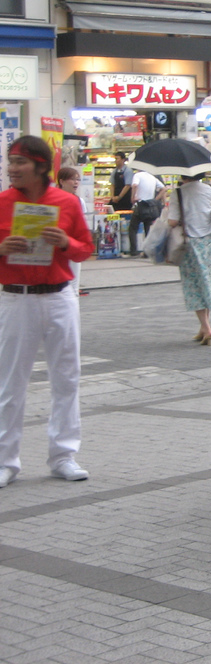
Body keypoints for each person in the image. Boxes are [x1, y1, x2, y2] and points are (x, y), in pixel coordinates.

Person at [0, 136, 94, 488]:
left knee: (67, 377)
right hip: (15, 298)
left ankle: (63, 455)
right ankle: (6, 460)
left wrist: (66, 243)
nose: (12, 168)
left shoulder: (67, 203)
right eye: (10, 161)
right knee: (10, 383)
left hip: (59, 296)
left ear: (41, 166)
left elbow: (85, 249)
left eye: (20, 162)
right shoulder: (2, 202)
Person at [167, 172, 211, 345]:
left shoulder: (178, 193)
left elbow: (173, 221)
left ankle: (206, 327)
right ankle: (203, 327)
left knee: (194, 285)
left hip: (190, 243)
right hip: (210, 241)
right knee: (207, 281)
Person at [57, 167, 90, 296]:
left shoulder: (79, 201)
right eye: (72, 179)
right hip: (57, 246)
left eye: (78, 179)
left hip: (73, 244)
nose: (76, 182)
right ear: (62, 181)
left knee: (74, 283)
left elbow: (83, 224)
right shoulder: (53, 199)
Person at [127, 168, 166, 256]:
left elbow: (135, 185)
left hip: (140, 205)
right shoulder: (152, 177)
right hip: (150, 206)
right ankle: (147, 252)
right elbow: (163, 188)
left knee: (133, 228)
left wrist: (133, 197)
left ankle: (133, 250)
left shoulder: (137, 175)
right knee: (147, 228)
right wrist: (155, 200)